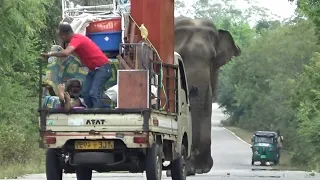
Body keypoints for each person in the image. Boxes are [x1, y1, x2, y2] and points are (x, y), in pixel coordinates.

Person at [40, 23, 111, 108]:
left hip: (103, 68)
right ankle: (89, 112)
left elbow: (65, 53)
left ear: (63, 36)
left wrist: (49, 54)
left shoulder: (77, 39)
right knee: (85, 93)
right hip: (94, 70)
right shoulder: (76, 41)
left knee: (93, 93)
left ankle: (98, 114)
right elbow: (75, 56)